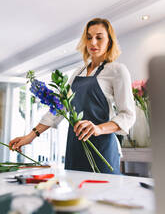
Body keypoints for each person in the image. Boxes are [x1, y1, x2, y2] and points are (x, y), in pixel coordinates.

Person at [9, 18, 136, 174]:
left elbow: (128, 115)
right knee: (76, 196)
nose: (93, 42)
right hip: (75, 147)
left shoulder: (117, 70)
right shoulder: (77, 73)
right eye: (89, 37)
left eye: (99, 37)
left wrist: (97, 128)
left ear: (109, 40)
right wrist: (30, 136)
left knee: (102, 196)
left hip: (102, 149)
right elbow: (58, 108)